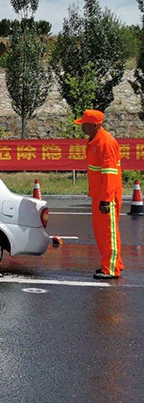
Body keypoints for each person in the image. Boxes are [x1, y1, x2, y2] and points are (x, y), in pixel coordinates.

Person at [75, 109, 124, 279]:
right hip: (99, 194)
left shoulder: (105, 143)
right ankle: (113, 263)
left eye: (85, 124)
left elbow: (110, 174)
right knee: (102, 232)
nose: (83, 128)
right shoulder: (95, 140)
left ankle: (110, 269)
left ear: (95, 125)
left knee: (107, 233)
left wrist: (106, 200)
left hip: (106, 196)